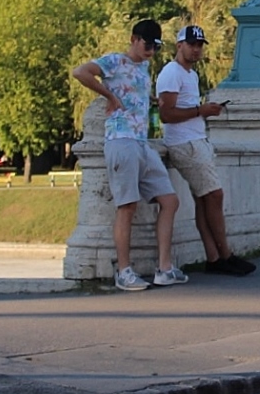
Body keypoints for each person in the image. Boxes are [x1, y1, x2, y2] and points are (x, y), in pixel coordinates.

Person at [71, 19, 187, 291]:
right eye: (147, 45)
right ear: (134, 39)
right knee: (127, 207)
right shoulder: (114, 61)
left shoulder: (145, 67)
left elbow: (136, 94)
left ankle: (164, 268)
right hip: (121, 140)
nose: (151, 51)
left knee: (169, 200)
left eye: (156, 47)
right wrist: (109, 96)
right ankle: (124, 272)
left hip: (141, 142)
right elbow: (81, 72)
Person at [156, 25, 257, 277]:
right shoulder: (171, 73)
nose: (196, 49)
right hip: (185, 144)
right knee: (215, 195)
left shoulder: (190, 75)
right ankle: (225, 255)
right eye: (191, 44)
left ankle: (214, 257)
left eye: (200, 44)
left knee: (204, 200)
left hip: (196, 139)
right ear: (179, 45)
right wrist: (201, 111)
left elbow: (183, 108)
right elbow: (166, 114)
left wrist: (203, 110)